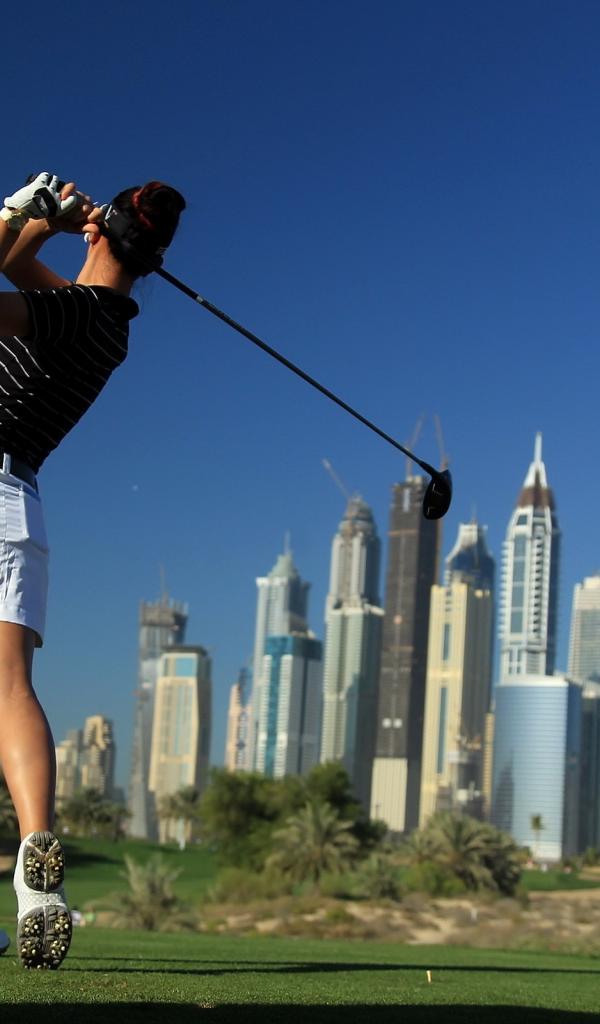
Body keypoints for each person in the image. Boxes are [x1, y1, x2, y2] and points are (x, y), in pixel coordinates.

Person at [0, 172, 186, 969]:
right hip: (20, 506)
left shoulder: (73, 311)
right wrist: (36, 229)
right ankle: (36, 863)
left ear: (101, 229)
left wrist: (16, 211)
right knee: (10, 690)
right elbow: (16, 270)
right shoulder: (108, 324)